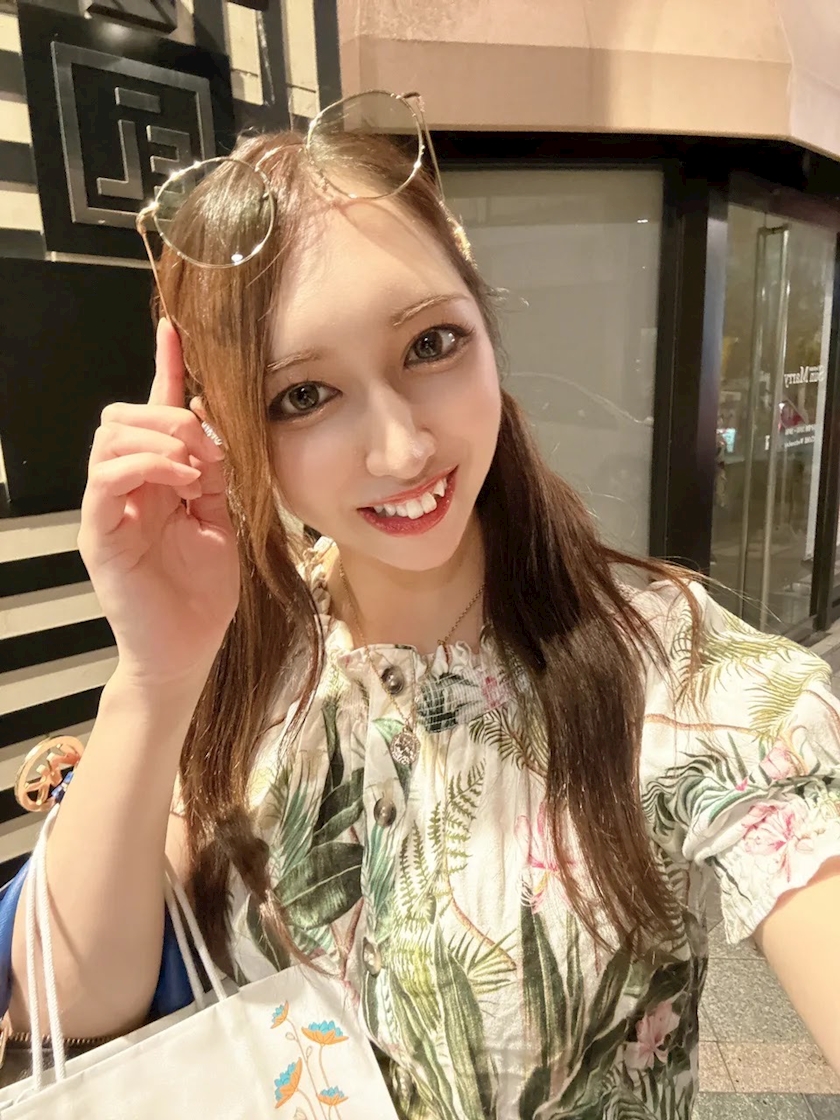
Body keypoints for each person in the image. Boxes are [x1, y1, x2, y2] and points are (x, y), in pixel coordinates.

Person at [5, 101, 840, 1119]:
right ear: (216, 426)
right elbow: (68, 1012)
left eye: (432, 343)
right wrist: (153, 674)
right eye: (302, 396)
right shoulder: (247, 657)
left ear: (485, 324)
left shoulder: (675, 672)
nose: (401, 449)